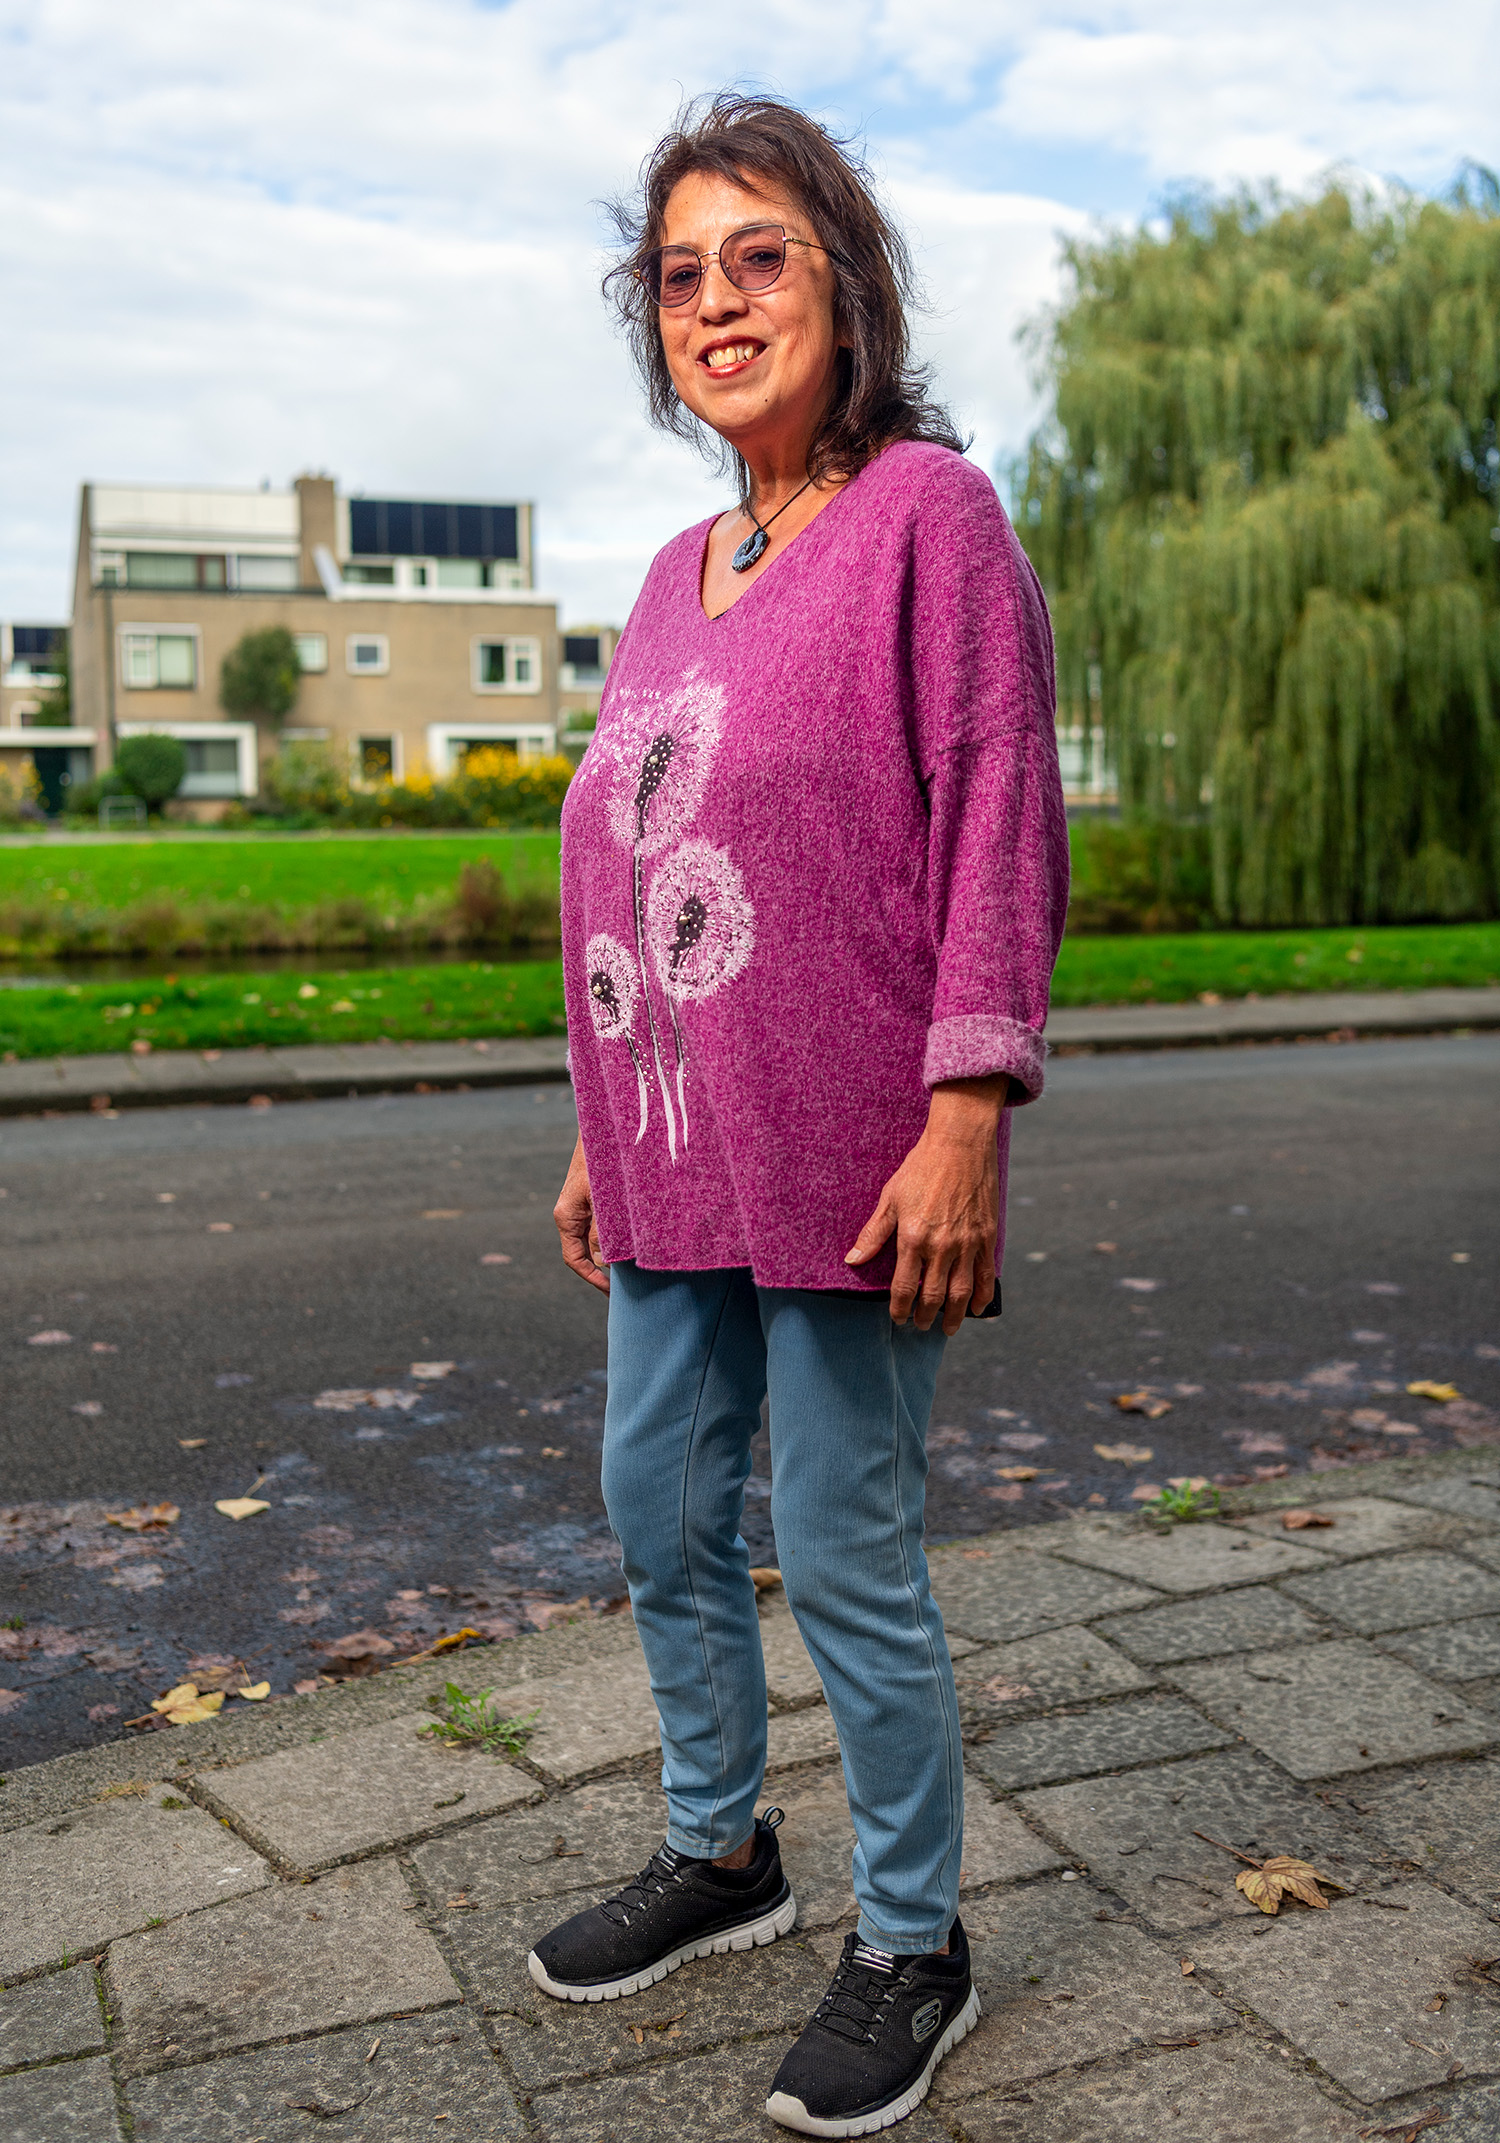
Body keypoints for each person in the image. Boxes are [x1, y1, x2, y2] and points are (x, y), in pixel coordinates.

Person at [533, 92, 1068, 2137]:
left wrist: (968, 1108)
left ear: (849, 286)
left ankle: (916, 1940)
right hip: (672, 1141)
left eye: (761, 256)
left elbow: (997, 814)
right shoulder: (674, 574)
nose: (719, 300)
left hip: (857, 1149)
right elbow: (631, 861)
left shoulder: (933, 516)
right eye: (681, 274)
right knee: (657, 1507)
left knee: (845, 1550)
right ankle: (723, 1851)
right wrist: (603, 1119)